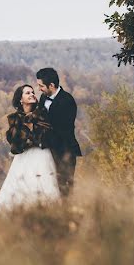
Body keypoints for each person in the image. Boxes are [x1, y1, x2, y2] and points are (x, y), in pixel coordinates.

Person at [0, 84, 61, 213]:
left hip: (42, 155)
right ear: (20, 99)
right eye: (27, 93)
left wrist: (30, 128)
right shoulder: (14, 119)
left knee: (44, 186)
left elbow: (47, 136)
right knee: (19, 189)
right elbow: (15, 146)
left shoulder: (42, 113)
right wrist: (26, 130)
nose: (32, 94)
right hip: (22, 159)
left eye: (33, 92)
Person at [36, 67, 82, 197]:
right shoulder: (43, 98)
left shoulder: (67, 101)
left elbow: (63, 130)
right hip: (47, 150)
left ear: (51, 85)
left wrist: (43, 138)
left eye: (41, 86)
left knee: (64, 187)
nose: (39, 89)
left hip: (64, 151)